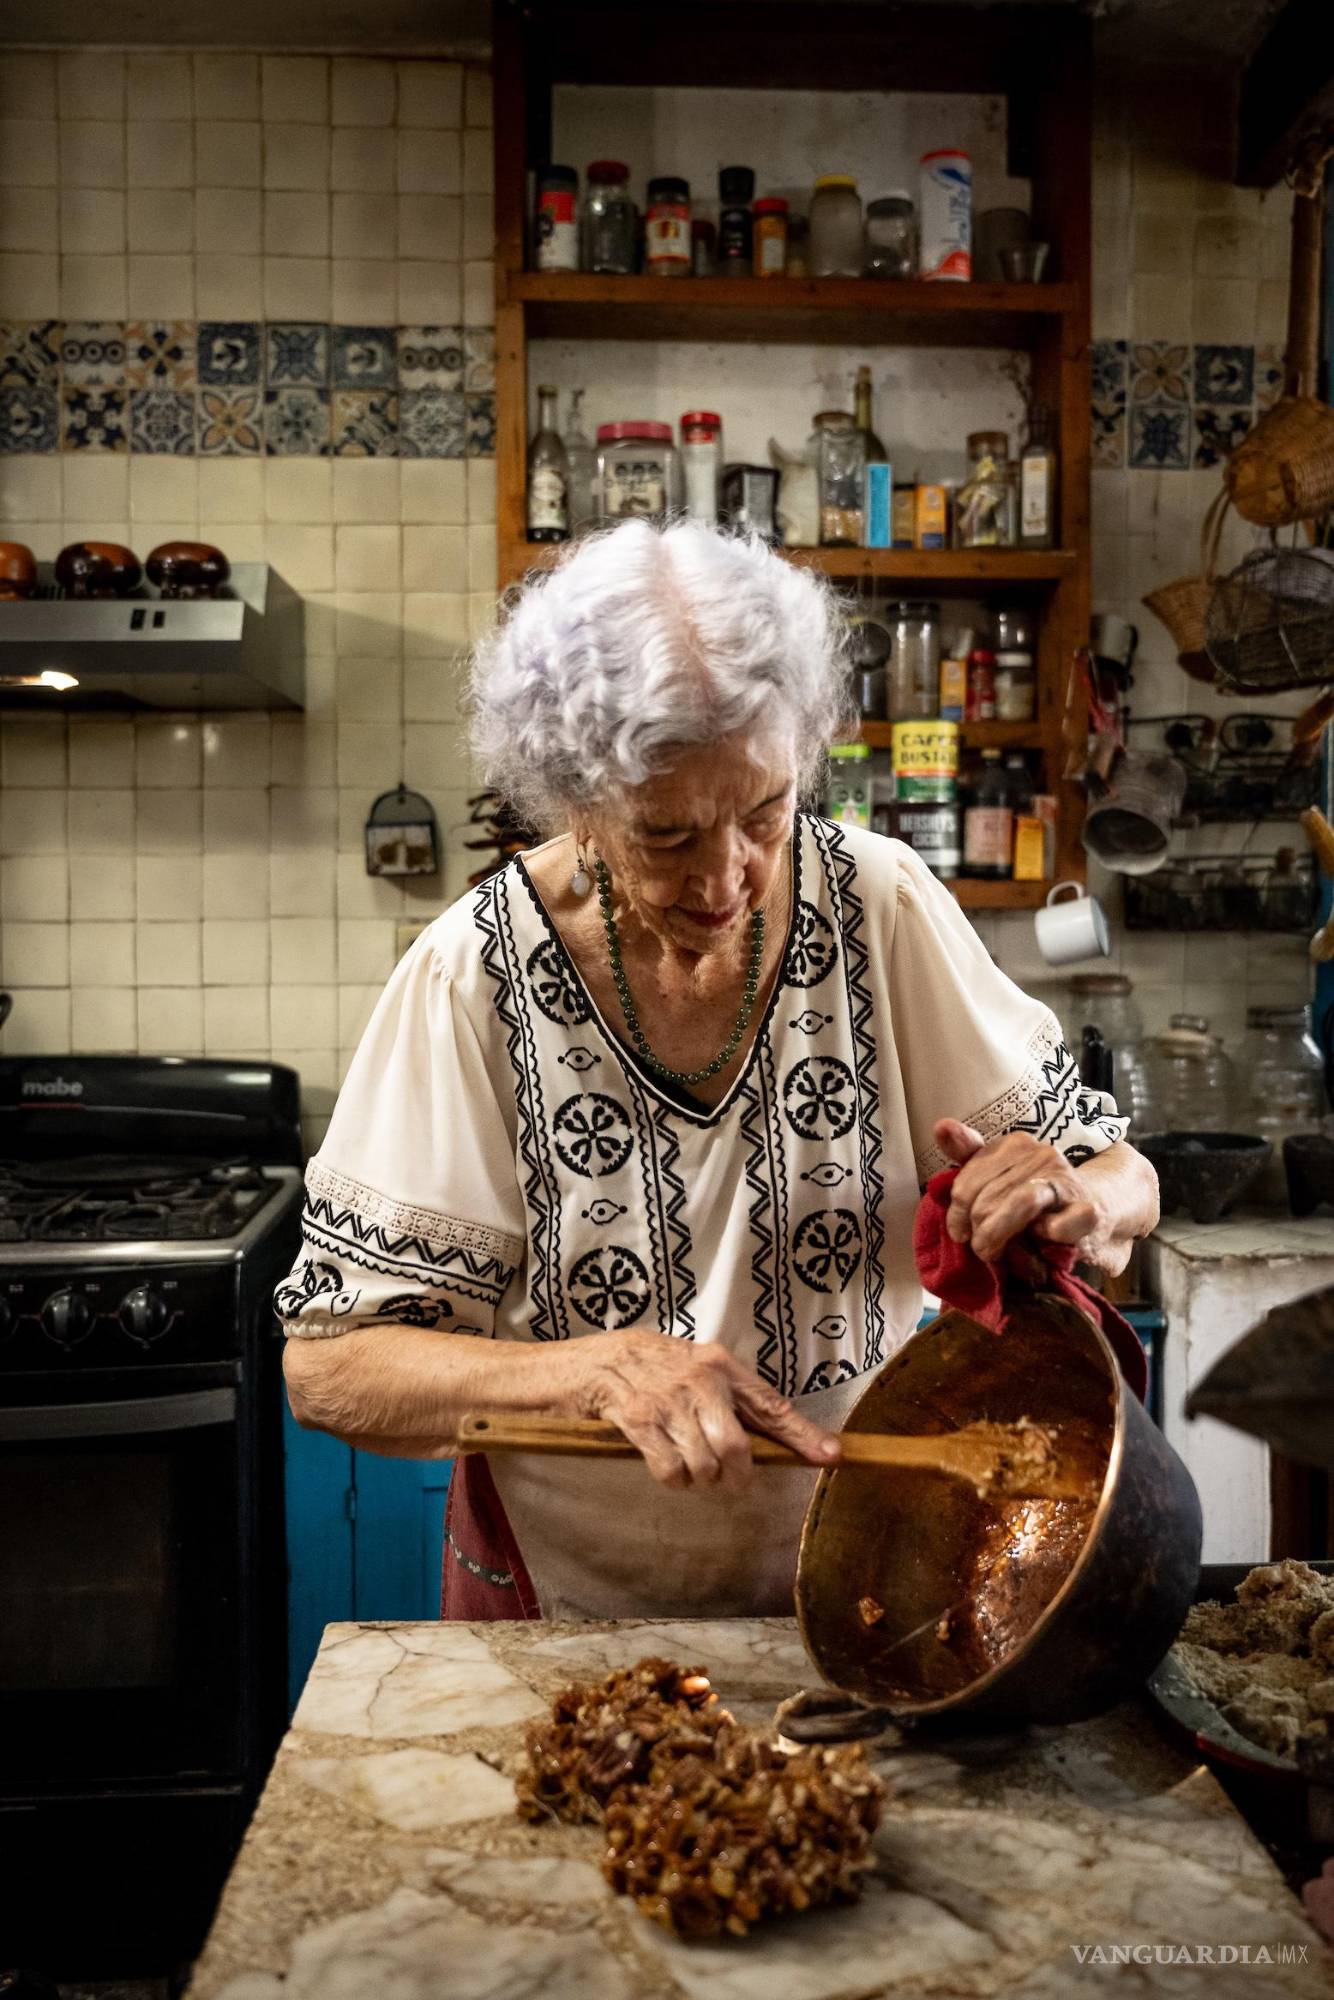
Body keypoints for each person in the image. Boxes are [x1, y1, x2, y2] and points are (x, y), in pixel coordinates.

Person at [277, 519, 1158, 1621]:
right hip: (566, 1608)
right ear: (577, 801)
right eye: (667, 835)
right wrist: (594, 1371)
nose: (727, 878)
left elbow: (1123, 1178)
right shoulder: (474, 971)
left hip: (866, 1575)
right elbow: (330, 1369)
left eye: (763, 813)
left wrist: (1073, 1195)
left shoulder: (877, 902)